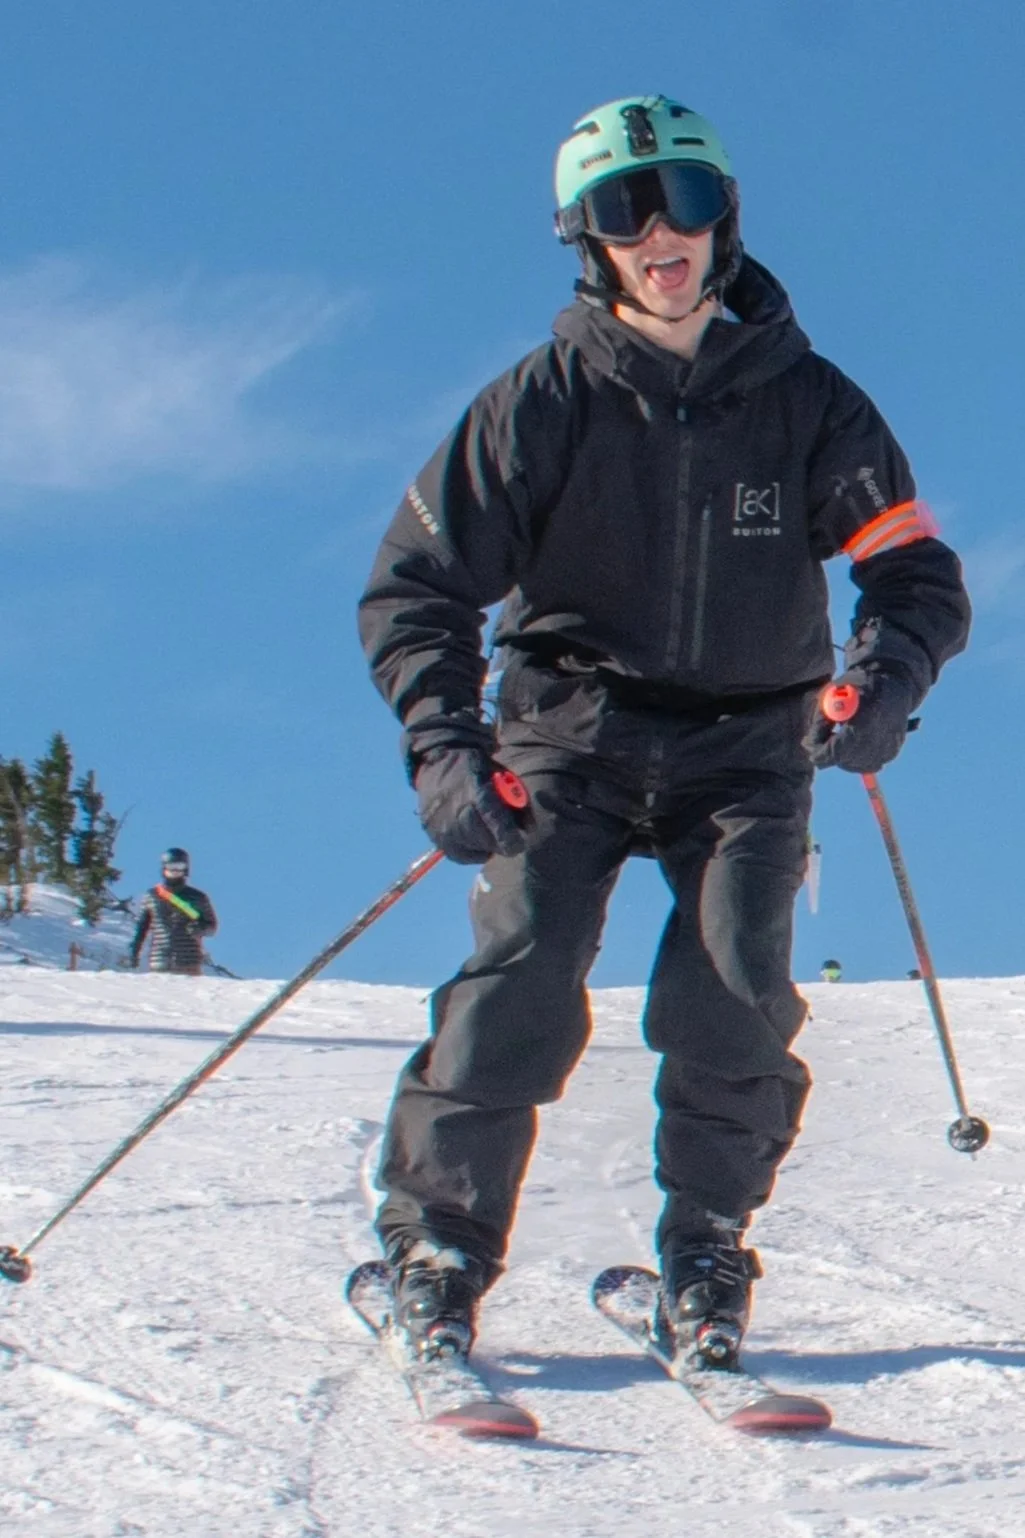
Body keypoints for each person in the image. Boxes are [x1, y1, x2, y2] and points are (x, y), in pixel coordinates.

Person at [358, 95, 971, 1365]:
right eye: (622, 212)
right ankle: (439, 1248)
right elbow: (418, 589)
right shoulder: (538, 402)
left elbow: (911, 575)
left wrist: (883, 679)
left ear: (723, 219)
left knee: (736, 996)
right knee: (520, 979)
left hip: (750, 744)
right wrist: (444, 744)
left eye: (683, 200)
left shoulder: (809, 404)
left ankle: (703, 1249)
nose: (659, 233)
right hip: (568, 731)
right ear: (585, 242)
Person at [129, 847, 218, 976]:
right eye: (171, 867)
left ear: (186, 869)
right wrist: (134, 951)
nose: (175, 871)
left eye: (179, 866)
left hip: (189, 961)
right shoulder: (152, 896)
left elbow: (212, 926)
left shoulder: (197, 897)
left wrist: (200, 928)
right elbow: (141, 928)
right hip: (159, 960)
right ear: (164, 868)